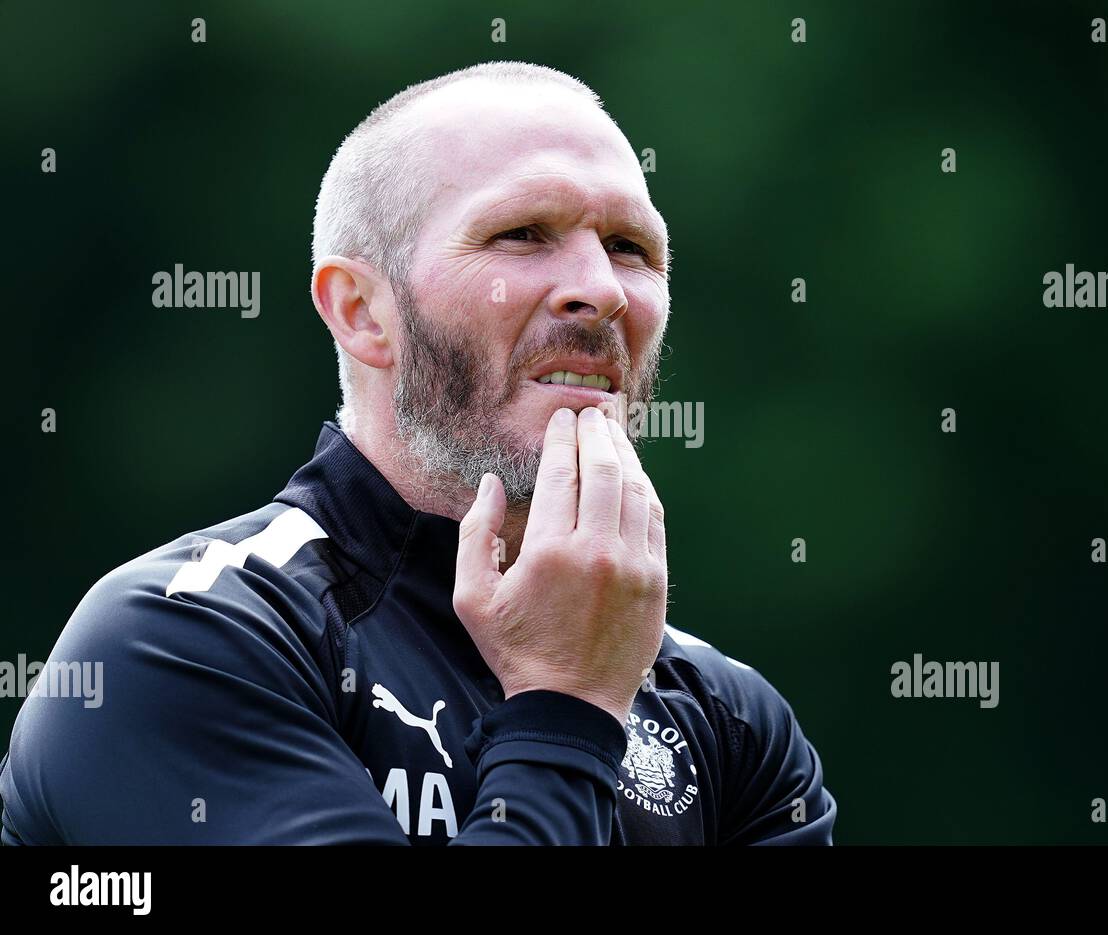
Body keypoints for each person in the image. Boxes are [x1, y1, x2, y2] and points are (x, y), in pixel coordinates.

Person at [0, 61, 835, 845]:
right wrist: (564, 707)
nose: (603, 289)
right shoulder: (186, 640)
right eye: (522, 233)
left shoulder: (729, 717)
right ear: (362, 311)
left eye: (630, 248)